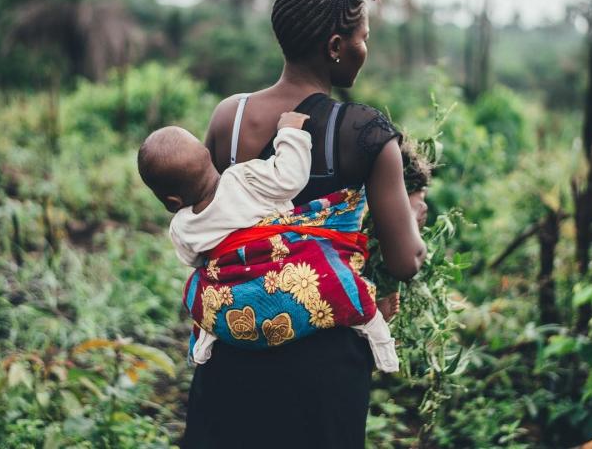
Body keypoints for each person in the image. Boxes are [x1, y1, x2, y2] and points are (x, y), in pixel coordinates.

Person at [183, 0, 426, 449]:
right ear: (336, 45)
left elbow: (212, 224)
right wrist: (412, 216)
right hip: (323, 371)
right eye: (363, 38)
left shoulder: (228, 118)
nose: (365, 50)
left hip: (233, 347)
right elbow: (405, 262)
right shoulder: (364, 132)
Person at [137, 112, 400, 372]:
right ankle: (378, 334)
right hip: (284, 272)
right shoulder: (243, 177)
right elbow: (290, 178)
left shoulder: (182, 226)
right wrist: (290, 132)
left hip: (236, 301)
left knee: (198, 287)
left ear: (172, 202)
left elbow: (195, 261)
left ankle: (207, 336)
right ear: (207, 156)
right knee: (334, 276)